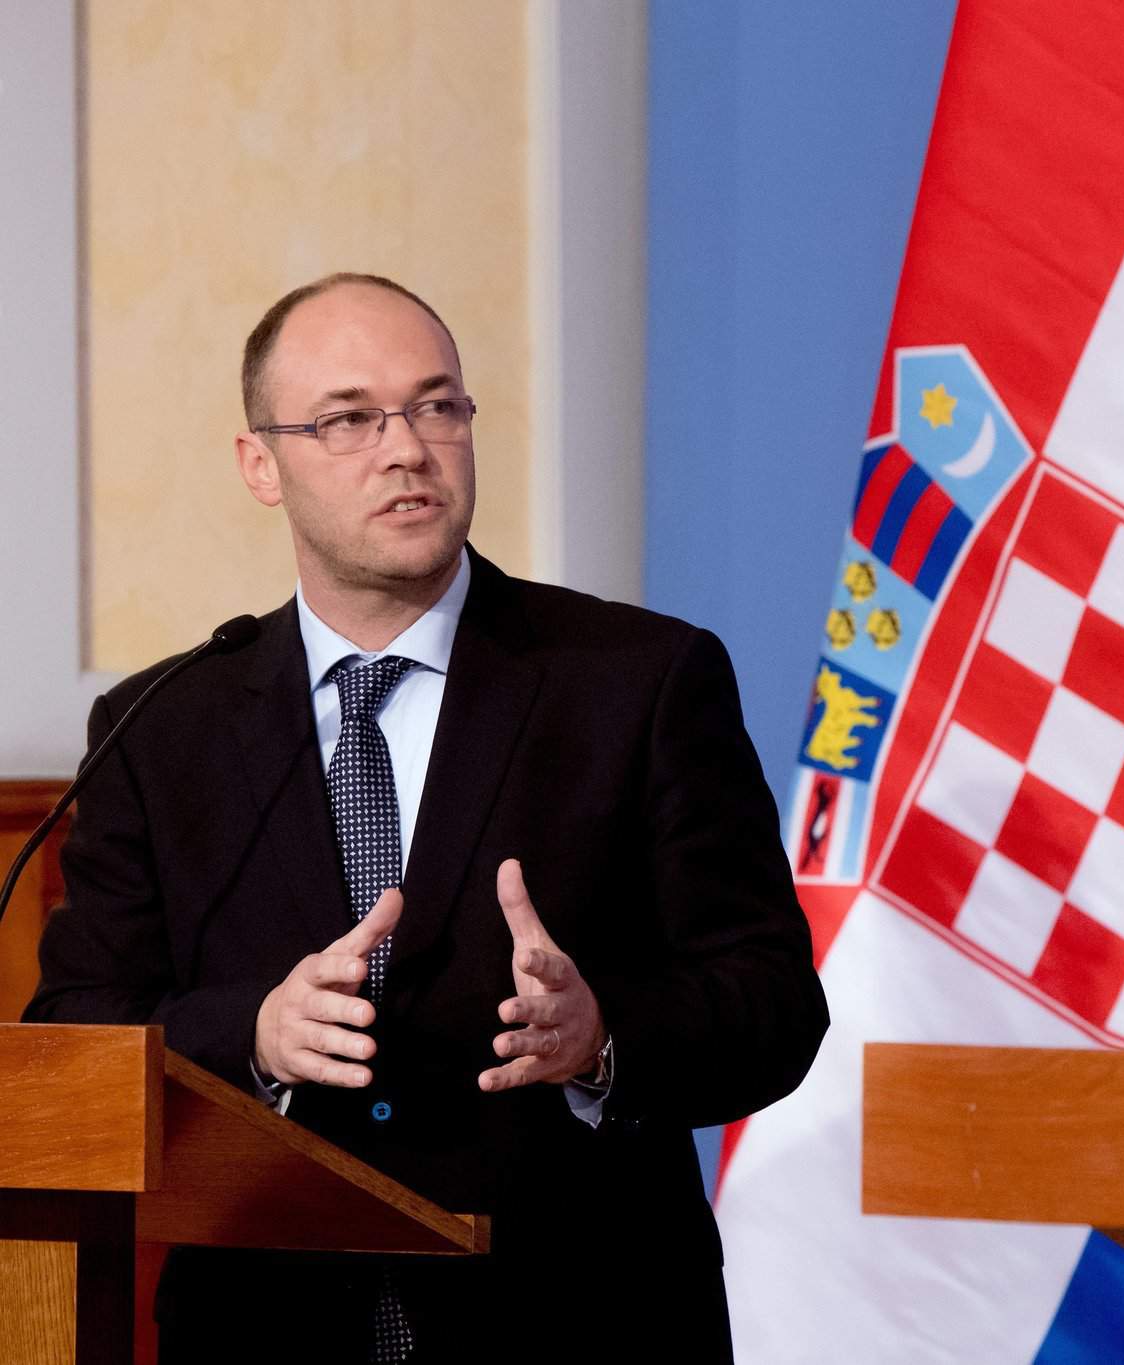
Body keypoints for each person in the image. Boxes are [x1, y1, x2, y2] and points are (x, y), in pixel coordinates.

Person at [27, 273, 828, 1361]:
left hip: (574, 1323)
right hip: (265, 1330)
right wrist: (253, 1035)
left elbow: (773, 1004)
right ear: (260, 465)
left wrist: (599, 1038)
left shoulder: (638, 681)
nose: (406, 448)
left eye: (437, 406)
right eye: (349, 418)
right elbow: (76, 1027)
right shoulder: (160, 725)